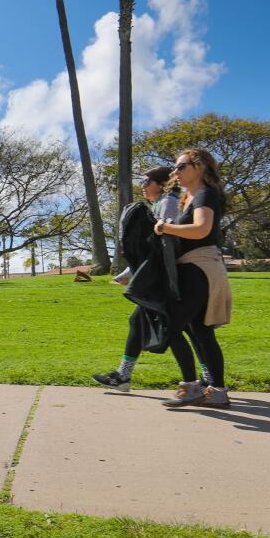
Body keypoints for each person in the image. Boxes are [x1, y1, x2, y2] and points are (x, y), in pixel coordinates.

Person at [94, 166, 207, 391]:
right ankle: (124, 375)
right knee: (179, 326)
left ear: (162, 183)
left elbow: (167, 244)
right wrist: (132, 274)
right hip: (166, 275)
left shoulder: (169, 203)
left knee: (186, 328)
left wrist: (141, 277)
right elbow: (154, 250)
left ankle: (203, 379)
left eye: (147, 181)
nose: (143, 186)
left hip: (170, 278)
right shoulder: (162, 203)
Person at [156, 148, 233, 408]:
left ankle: (191, 387)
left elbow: (201, 230)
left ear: (199, 166)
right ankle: (217, 390)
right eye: (175, 167)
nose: (175, 172)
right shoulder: (188, 198)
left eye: (181, 166)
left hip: (199, 267)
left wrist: (165, 227)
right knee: (200, 331)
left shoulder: (204, 195)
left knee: (170, 325)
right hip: (194, 268)